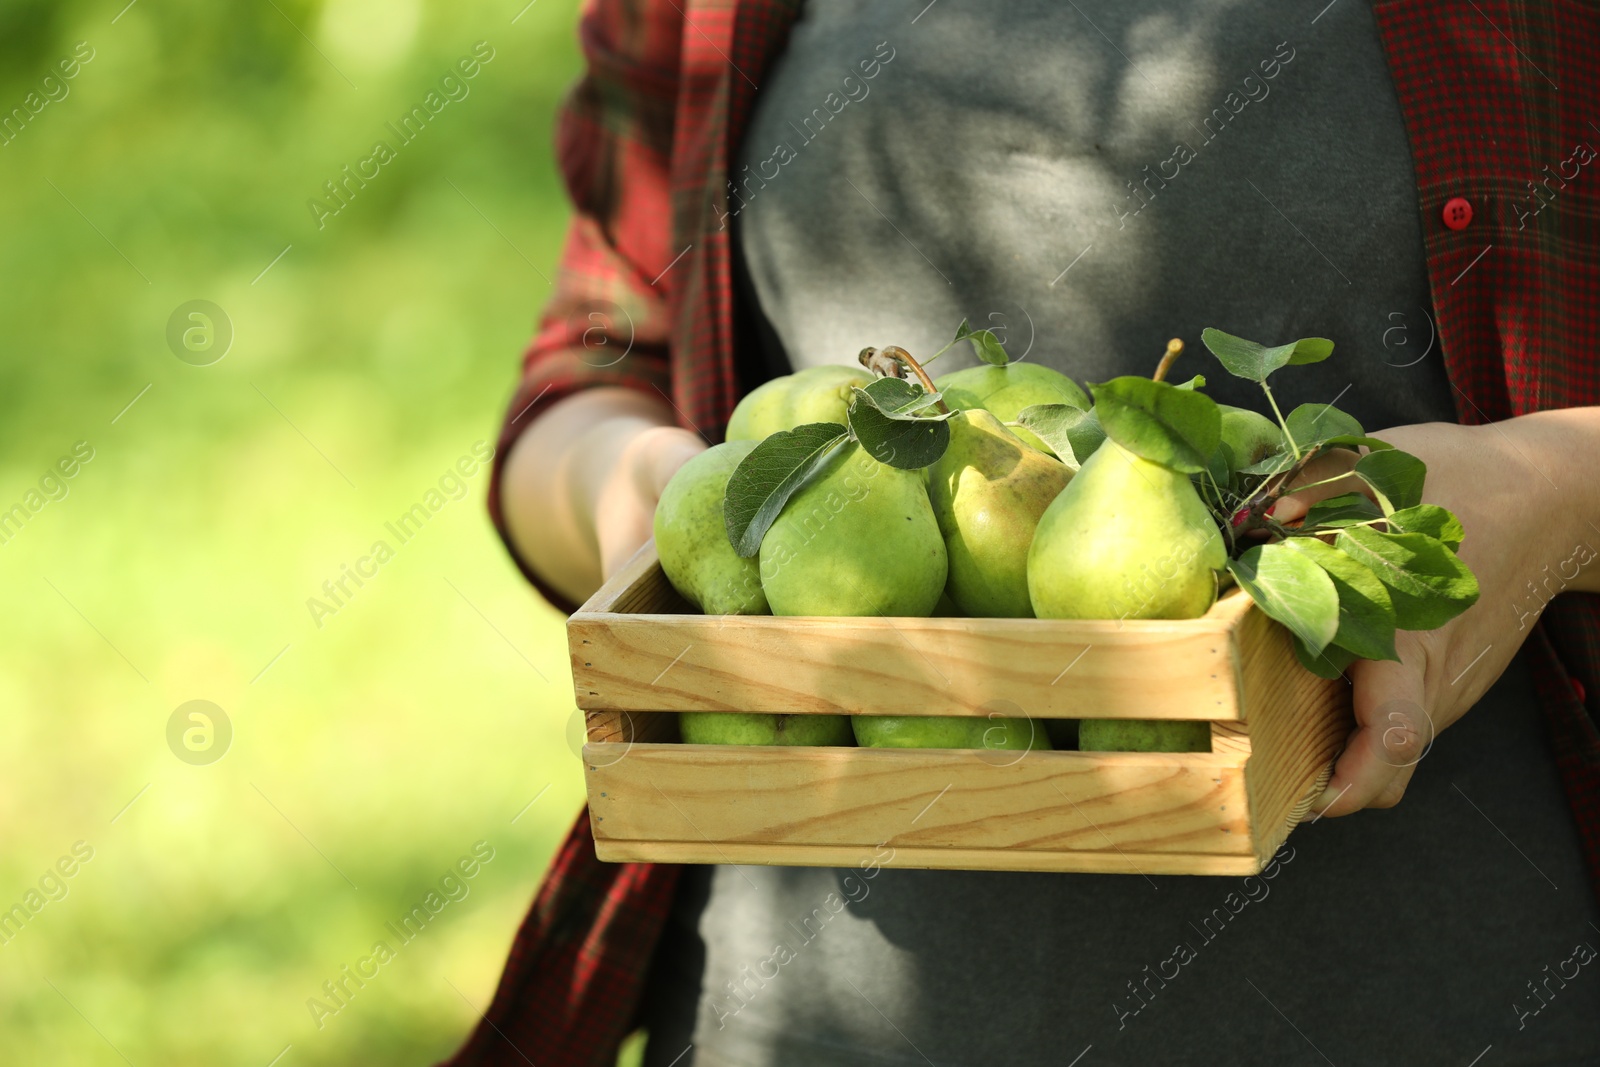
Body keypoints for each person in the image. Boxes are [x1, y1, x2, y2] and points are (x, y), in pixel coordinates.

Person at [444, 2, 1600, 1064]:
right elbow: (599, 357)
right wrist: (652, 497)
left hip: (1456, 988)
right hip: (807, 1003)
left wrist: (1549, 490)